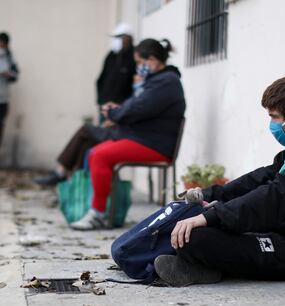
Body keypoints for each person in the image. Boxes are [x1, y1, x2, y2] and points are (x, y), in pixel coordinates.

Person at [153, 73, 285, 286]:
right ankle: (203, 268)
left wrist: (211, 217)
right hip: (276, 234)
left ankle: (203, 268)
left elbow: (273, 197)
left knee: (194, 238)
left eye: (274, 116)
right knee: (187, 226)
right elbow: (259, 179)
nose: (271, 124)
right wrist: (209, 195)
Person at [35, 39, 185, 231]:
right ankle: (88, 202)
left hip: (154, 144)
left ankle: (97, 214)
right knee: (95, 151)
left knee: (99, 154)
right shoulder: (158, 80)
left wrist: (115, 113)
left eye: (140, 63)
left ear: (153, 60)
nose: (138, 68)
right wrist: (119, 109)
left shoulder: (166, 82)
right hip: (144, 138)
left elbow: (137, 109)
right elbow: (136, 106)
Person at [96, 23, 136, 124]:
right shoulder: (111, 55)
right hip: (105, 107)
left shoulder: (134, 57)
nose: (117, 40)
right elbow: (101, 78)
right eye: (115, 37)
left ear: (129, 38)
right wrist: (101, 101)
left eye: (120, 37)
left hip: (121, 109)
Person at [0, 32, 19, 147]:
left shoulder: (9, 57)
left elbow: (15, 75)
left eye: (3, 44)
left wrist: (8, 75)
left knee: (0, 125)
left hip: (3, 98)